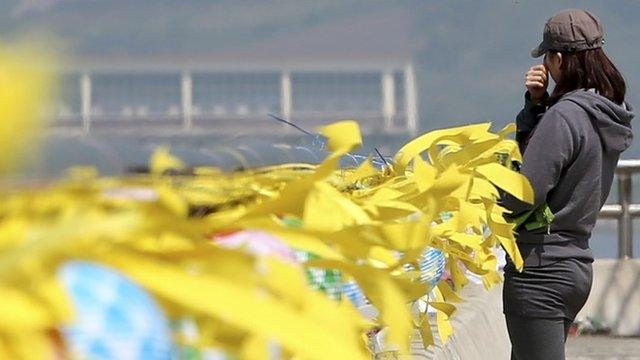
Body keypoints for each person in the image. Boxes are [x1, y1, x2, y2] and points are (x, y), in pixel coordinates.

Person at [501, 9, 634, 360]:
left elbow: (524, 194)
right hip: (574, 265)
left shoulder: (565, 116)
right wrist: (536, 105)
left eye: (548, 56)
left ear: (557, 58)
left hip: (541, 269)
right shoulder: (605, 111)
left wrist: (487, 189)